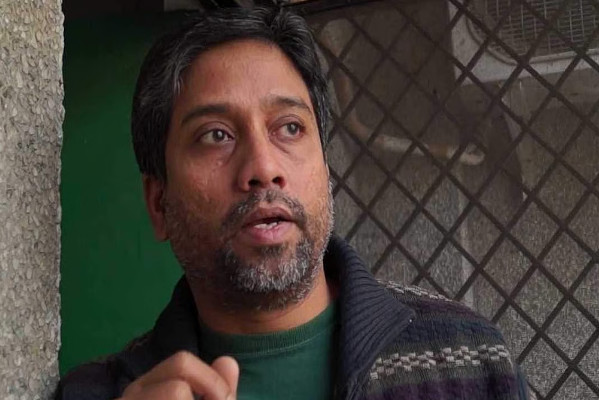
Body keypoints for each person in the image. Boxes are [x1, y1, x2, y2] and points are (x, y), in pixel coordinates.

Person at [56, 6, 529, 400]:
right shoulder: (97, 394)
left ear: (325, 169)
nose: (263, 168)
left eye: (289, 127)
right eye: (216, 135)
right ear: (159, 203)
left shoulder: (472, 362)